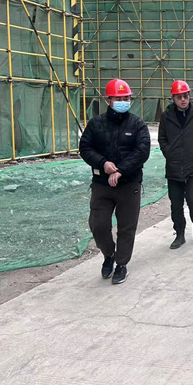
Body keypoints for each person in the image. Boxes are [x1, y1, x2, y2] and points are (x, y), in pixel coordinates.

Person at [79, 78, 151, 285]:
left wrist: (120, 170)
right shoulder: (96, 123)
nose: (123, 102)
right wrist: (103, 164)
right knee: (98, 224)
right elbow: (85, 148)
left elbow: (142, 151)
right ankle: (109, 254)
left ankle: (121, 264)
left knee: (127, 227)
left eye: (126, 98)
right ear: (108, 100)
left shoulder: (137, 124)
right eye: (119, 99)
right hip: (102, 184)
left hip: (129, 183)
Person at [158, 80, 193, 249]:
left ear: (189, 96)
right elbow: (162, 139)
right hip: (174, 167)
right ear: (173, 98)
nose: (183, 99)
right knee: (176, 204)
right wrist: (170, 153)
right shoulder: (166, 117)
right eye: (179, 97)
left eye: (186, 96)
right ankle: (179, 233)